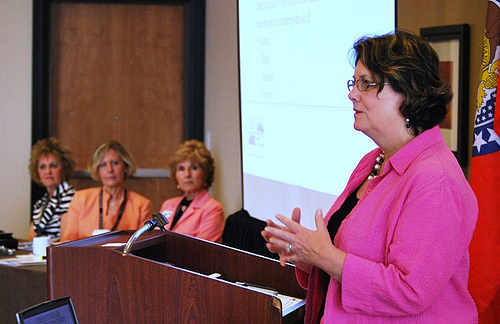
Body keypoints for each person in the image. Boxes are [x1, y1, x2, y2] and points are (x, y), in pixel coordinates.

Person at [262, 30, 479, 323]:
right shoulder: (373, 160)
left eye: (366, 83)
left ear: (409, 90)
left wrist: (323, 255)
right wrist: (304, 253)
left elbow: (409, 291)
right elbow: (349, 259)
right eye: (354, 82)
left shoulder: (436, 180)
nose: (352, 93)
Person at [60, 140, 152, 241]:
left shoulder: (142, 205)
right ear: (97, 170)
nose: (109, 170)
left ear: (125, 167)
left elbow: (145, 245)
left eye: (115, 163)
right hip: (84, 256)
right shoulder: (81, 199)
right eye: (103, 165)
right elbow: (66, 243)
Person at [159, 139, 224, 242]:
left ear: (205, 173)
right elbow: (154, 237)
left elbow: (202, 250)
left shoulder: (212, 209)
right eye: (181, 169)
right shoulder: (168, 204)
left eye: (193, 168)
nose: (187, 174)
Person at [28, 138, 75, 242]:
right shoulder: (40, 204)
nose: (48, 171)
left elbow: (67, 240)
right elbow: (30, 241)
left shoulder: (71, 198)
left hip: (58, 256)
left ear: (64, 168)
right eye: (42, 167)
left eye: (53, 166)